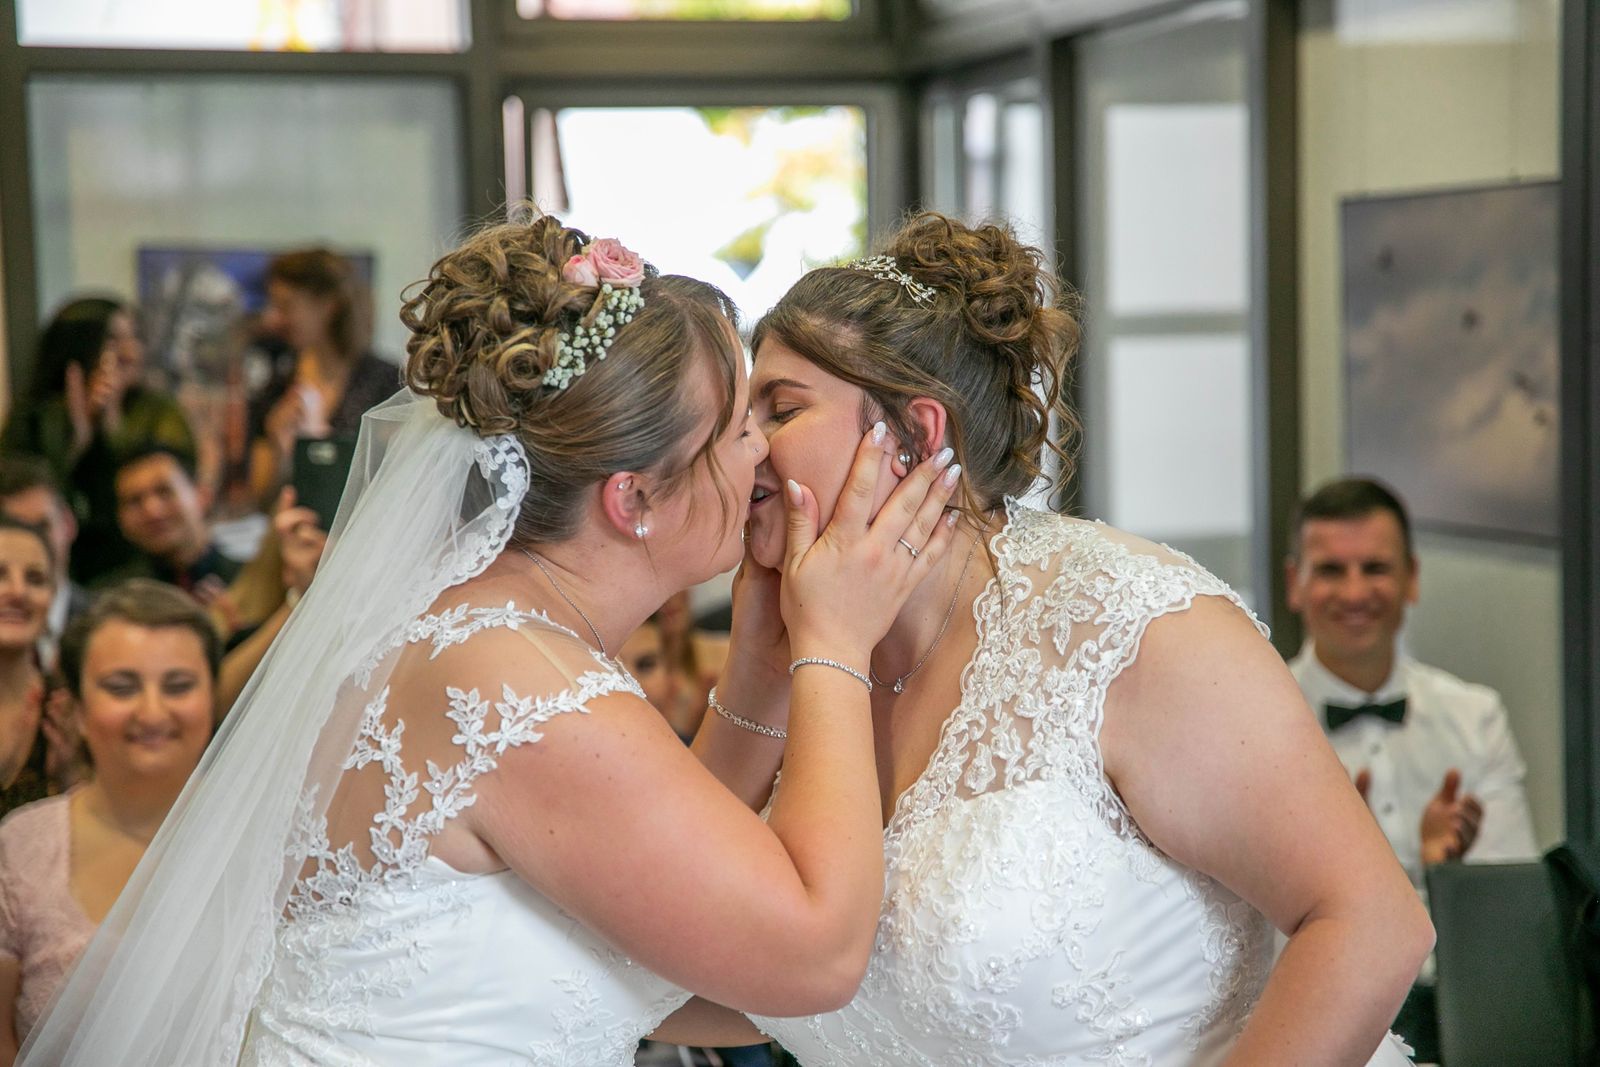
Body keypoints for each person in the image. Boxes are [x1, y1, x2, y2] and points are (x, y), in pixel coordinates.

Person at [19, 214, 959, 1066]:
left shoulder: (482, 637)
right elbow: (816, 952)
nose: (759, 450)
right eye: (733, 430)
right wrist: (832, 640)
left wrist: (755, 665)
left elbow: (672, 923)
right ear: (632, 499)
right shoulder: (521, 687)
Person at [659, 214, 1433, 1065]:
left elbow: (1372, 921)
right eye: (742, 418)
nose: (744, 451)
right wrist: (760, 673)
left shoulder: (1125, 626)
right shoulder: (815, 653)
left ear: (915, 434)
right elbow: (669, 970)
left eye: (781, 409)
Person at [1285, 476, 1539, 1062]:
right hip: (1319, 1007)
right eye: (1330, 570)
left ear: (1411, 578)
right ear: (1294, 583)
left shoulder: (1476, 717)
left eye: (1375, 568)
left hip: (1466, 1004)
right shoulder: (1259, 722)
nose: (1354, 592)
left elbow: (1509, 912)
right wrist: (1342, 860)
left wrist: (1446, 872)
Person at [0, 579, 219, 1064]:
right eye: (121, 687)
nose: (152, 711)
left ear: (213, 697)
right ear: (75, 710)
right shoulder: (20, 846)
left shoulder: (267, 837)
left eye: (178, 686)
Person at [0, 297, 195, 584]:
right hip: (55, 576)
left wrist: (112, 429)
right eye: (113, 340)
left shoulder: (156, 411)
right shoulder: (35, 421)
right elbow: (30, 505)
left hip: (144, 572)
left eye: (135, 337)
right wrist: (76, 443)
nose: (130, 351)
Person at [247, 248, 400, 507]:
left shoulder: (386, 382)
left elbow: (397, 480)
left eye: (286, 306)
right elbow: (261, 496)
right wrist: (279, 449)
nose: (275, 318)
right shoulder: (276, 385)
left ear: (327, 306)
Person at [0, 518, 75, 818]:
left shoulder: (68, 708)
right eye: (0, 574)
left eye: (35, 578)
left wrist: (71, 778)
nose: (18, 592)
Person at [103, 447, 242, 595]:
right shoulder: (111, 599)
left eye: (164, 491)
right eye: (135, 501)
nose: (152, 511)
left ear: (202, 496)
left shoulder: (251, 581)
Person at [0, 458, 89, 672]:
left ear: (68, 524)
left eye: (43, 526)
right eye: (18, 529)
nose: (33, 542)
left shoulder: (105, 623)